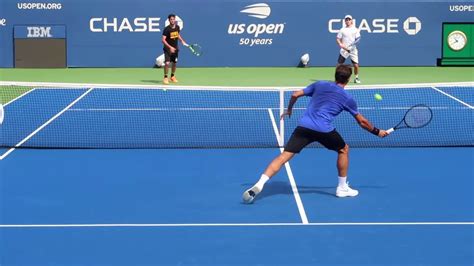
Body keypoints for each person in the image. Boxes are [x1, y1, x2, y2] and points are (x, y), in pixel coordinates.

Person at [242, 65, 389, 204]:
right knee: (343, 149)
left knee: (284, 156)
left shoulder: (320, 84)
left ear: (335, 75)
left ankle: (259, 184)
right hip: (324, 130)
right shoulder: (347, 98)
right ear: (348, 79)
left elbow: (295, 94)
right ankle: (342, 188)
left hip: (304, 127)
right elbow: (362, 122)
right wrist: (377, 132)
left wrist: (289, 109)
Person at [162, 14, 187, 85]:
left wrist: (182, 41)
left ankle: (172, 76)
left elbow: (177, 35)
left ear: (175, 20)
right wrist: (170, 47)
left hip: (175, 49)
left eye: (173, 19)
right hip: (168, 49)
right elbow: (163, 40)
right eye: (171, 19)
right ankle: (165, 77)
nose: (172, 20)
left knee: (174, 63)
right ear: (169, 20)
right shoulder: (166, 29)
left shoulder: (177, 27)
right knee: (167, 63)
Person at [336, 15, 361, 84]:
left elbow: (358, 38)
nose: (347, 21)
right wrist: (340, 44)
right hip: (344, 50)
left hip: (353, 50)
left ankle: (356, 78)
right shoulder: (342, 30)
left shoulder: (355, 29)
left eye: (349, 19)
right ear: (345, 21)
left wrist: (354, 43)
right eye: (346, 20)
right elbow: (338, 38)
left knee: (356, 65)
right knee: (338, 65)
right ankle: (337, 79)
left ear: (351, 21)